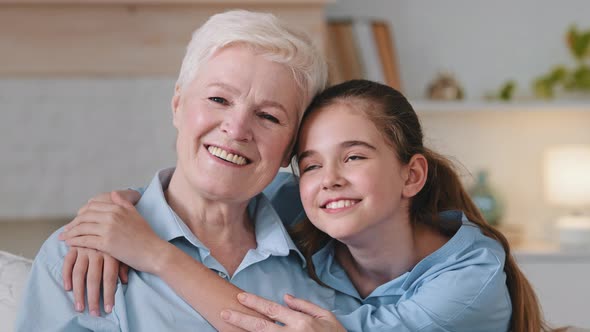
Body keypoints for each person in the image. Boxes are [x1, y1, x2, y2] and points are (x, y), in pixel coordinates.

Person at [60, 80, 554, 332]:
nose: (329, 180)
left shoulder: (466, 286)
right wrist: (114, 211)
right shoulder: (297, 202)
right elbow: (199, 190)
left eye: (354, 156)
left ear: (412, 175)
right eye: (311, 164)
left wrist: (153, 253)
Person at [15, 10, 337, 332]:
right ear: (177, 105)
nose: (237, 129)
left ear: (291, 146)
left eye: (268, 116)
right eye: (218, 99)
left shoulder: (328, 251)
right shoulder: (79, 254)